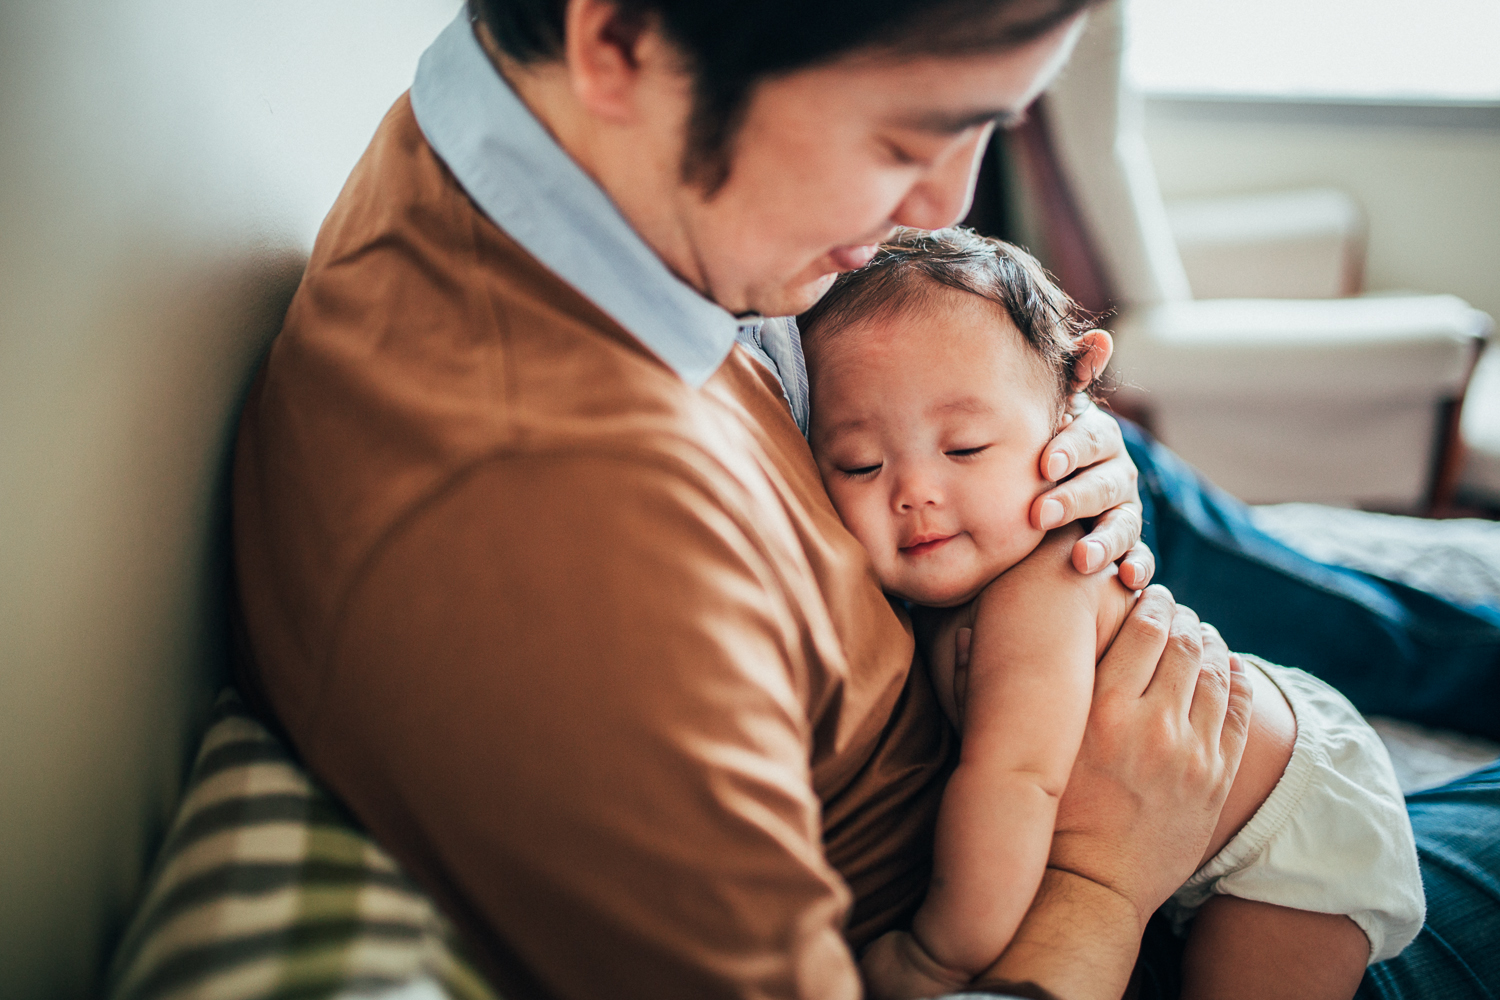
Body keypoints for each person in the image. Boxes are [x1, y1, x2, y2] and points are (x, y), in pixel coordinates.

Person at [229, 1, 1500, 997]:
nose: (943, 205)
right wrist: (1108, 877)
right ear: (618, 35)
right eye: (905, 137)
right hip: (1104, 914)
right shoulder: (565, 535)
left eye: (982, 128)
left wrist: (1067, 460)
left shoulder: (575, 194)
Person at [798, 228, 1423, 1000]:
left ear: (1071, 420)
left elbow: (1018, 784)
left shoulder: (1045, 585)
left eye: (964, 448)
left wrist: (939, 955)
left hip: (1294, 818)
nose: (915, 490)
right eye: (860, 463)